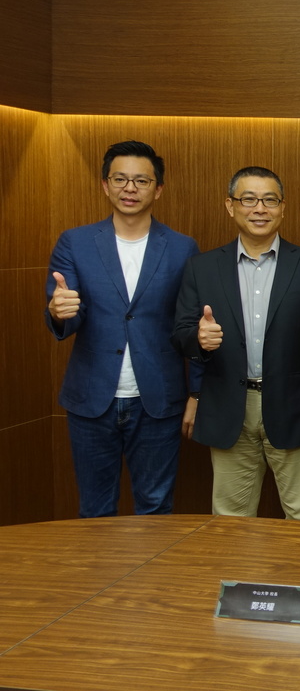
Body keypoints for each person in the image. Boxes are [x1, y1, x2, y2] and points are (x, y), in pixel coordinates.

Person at [173, 167, 300, 521]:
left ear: (282, 208)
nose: (259, 209)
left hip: (295, 409)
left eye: (269, 200)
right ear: (230, 206)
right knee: (230, 517)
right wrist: (199, 340)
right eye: (248, 199)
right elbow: (181, 333)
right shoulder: (201, 268)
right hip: (228, 406)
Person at [45, 140, 198, 517]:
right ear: (105, 184)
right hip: (91, 399)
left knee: (156, 507)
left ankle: (152, 579)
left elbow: (190, 326)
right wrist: (59, 311)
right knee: (94, 510)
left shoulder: (182, 247)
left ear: (157, 189)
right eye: (120, 179)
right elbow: (65, 310)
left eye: (141, 181)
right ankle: (99, 578)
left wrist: (197, 393)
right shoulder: (76, 242)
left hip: (158, 400)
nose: (130, 188)